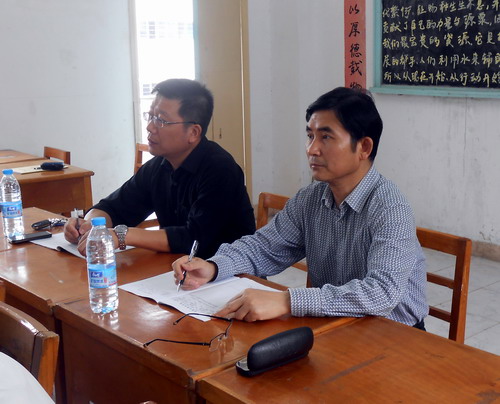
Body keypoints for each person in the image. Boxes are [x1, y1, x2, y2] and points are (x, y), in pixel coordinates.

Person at [173, 87, 428, 328]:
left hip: (396, 335)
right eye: (310, 136)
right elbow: (264, 247)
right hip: (336, 324)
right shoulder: (311, 198)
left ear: (364, 147)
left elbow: (382, 292)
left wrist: (287, 301)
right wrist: (214, 267)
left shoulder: (390, 207)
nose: (312, 149)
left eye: (326, 137)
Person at [65, 78, 255, 258]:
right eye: (151, 116)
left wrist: (122, 235)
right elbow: (113, 208)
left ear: (193, 132)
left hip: (229, 274)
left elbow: (194, 239)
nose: (150, 127)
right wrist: (90, 226)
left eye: (161, 120)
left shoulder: (220, 169)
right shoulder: (158, 166)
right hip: (175, 269)